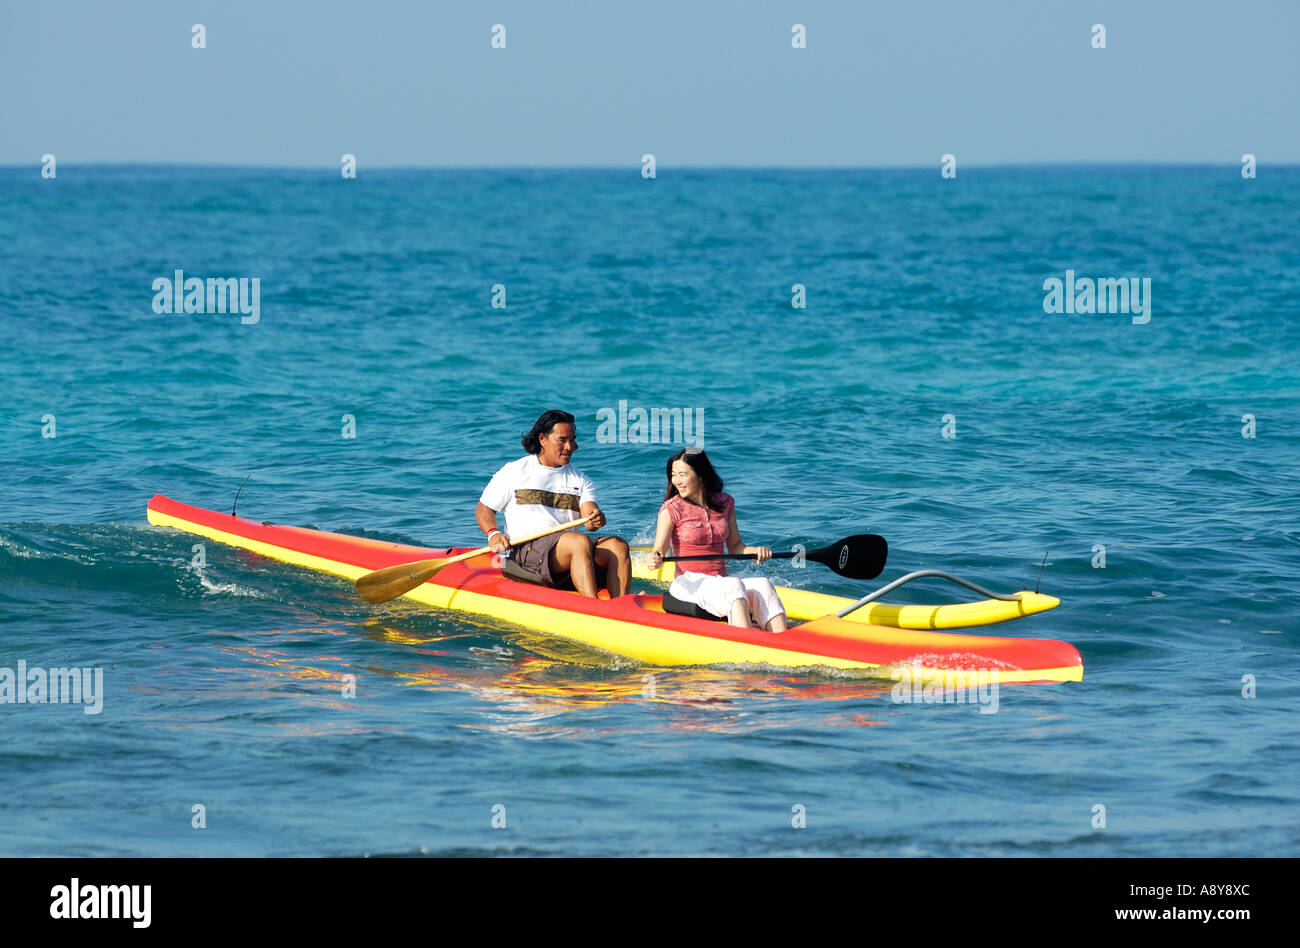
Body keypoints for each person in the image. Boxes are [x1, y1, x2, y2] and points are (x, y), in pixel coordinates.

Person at [476, 410, 631, 598]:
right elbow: (484, 509)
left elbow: (589, 519)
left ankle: (622, 605)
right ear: (542, 439)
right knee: (578, 542)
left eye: (572, 440)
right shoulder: (515, 471)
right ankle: (593, 607)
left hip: (568, 553)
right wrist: (494, 533)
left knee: (617, 545)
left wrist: (595, 519)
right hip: (525, 551)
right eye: (562, 440)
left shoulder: (582, 480)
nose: (570, 446)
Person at [649, 447, 787, 632]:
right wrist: (655, 558)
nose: (676, 481)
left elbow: (736, 546)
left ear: (700, 475)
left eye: (682, 475)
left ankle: (782, 641)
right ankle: (746, 654)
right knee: (733, 586)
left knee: (763, 584)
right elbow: (659, 549)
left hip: (719, 580)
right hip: (687, 584)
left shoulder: (725, 503)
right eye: (674, 475)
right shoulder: (671, 509)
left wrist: (755, 551)